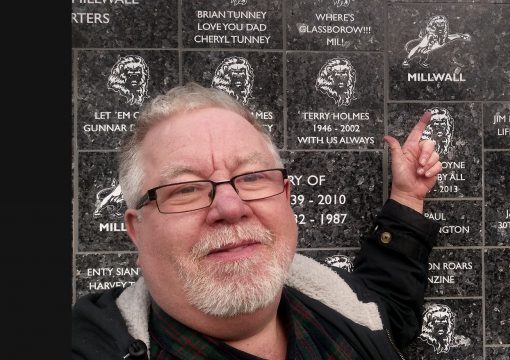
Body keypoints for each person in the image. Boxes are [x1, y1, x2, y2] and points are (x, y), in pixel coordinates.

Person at [72, 82, 443, 359]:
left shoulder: (342, 306)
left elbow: (388, 308)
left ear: (285, 196)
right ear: (137, 229)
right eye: (185, 189)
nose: (231, 208)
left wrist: (408, 198)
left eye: (251, 178)